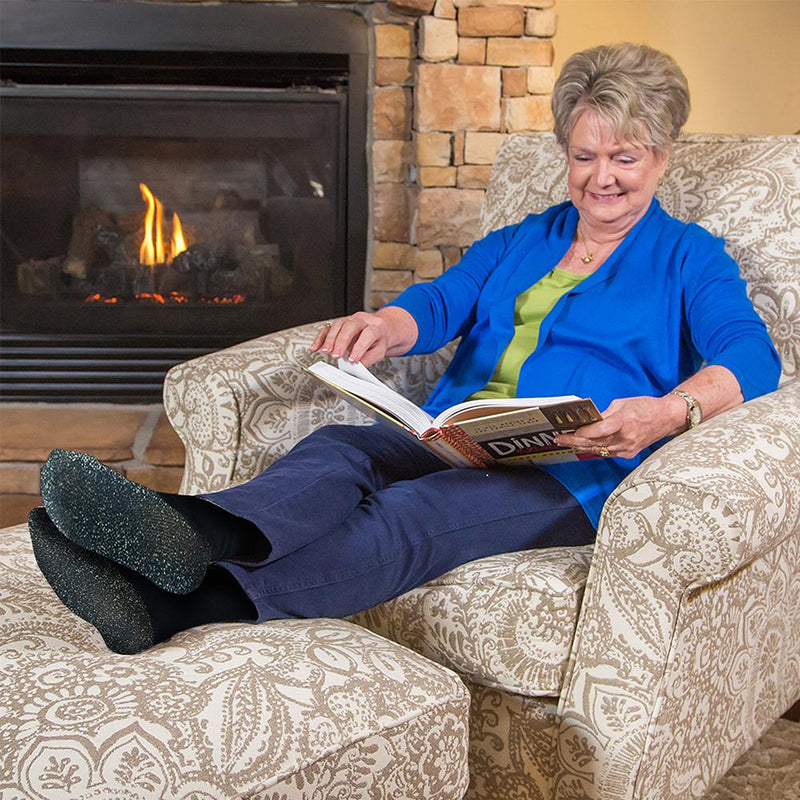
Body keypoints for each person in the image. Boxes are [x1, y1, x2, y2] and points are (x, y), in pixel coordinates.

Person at [29, 43, 780, 655]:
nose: (602, 178)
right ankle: (186, 530)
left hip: (569, 471)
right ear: (565, 153)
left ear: (662, 156)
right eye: (585, 157)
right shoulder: (531, 236)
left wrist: (668, 412)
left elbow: (751, 356)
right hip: (461, 431)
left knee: (408, 513)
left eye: (626, 158)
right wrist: (387, 325)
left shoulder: (690, 257)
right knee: (340, 451)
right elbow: (444, 299)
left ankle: (175, 607)